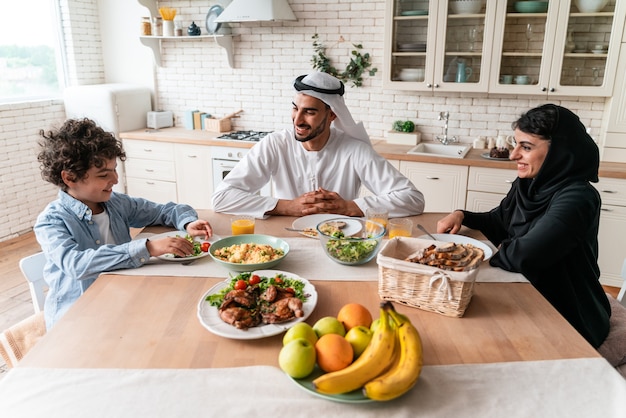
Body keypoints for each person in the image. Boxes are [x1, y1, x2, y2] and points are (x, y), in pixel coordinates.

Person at [437, 104, 610, 348]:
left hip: (569, 314)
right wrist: (462, 215)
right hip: (531, 291)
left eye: (526, 147)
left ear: (559, 151)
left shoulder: (578, 198)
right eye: (516, 143)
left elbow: (524, 255)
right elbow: (500, 221)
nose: (513, 155)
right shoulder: (530, 183)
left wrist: (473, 255)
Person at [34, 118, 213, 329]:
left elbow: (167, 210)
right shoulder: (51, 221)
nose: (116, 180)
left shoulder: (116, 203)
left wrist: (188, 222)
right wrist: (148, 247)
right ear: (70, 177)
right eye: (104, 175)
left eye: (114, 170)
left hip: (123, 300)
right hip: (78, 319)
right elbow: (77, 265)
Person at [212, 71, 425, 218]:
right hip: (285, 239)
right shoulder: (276, 144)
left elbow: (413, 199)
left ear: (332, 115)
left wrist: (350, 207)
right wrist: (287, 207)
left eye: (310, 112)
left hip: (341, 240)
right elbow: (222, 197)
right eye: (295, 108)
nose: (298, 119)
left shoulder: (355, 150)